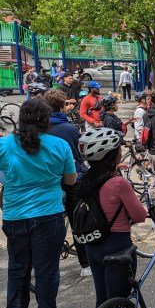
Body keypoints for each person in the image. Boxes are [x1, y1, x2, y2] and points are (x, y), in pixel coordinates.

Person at [0, 98, 77, 308]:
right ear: (47, 120)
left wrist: (6, 172)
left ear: (21, 119)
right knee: (46, 267)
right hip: (48, 213)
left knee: (18, 266)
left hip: (14, 214)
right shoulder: (59, 145)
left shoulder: (4, 144)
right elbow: (71, 180)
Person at [77, 128, 148, 308]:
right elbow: (140, 215)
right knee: (117, 305)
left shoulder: (86, 179)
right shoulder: (118, 182)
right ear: (111, 155)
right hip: (118, 247)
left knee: (103, 301)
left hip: (93, 247)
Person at [42, 89, 90, 277]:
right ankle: (85, 264)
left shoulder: (40, 127)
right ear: (62, 107)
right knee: (77, 221)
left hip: (47, 180)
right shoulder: (68, 129)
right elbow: (79, 154)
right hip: (70, 180)